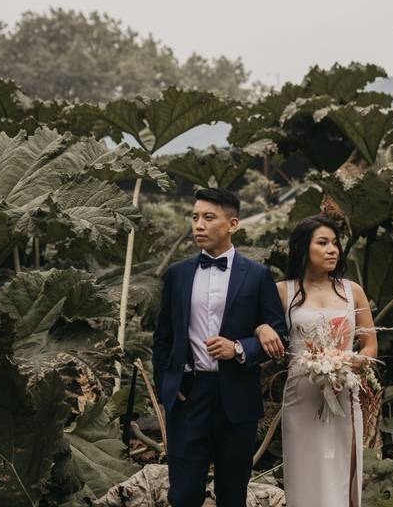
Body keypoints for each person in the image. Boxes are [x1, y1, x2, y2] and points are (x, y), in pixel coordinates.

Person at [152, 187, 288, 507]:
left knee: (232, 494)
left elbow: (279, 334)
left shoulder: (257, 275)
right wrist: (166, 384)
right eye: (195, 217)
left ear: (233, 224)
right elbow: (163, 337)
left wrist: (239, 349)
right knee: (183, 494)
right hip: (189, 394)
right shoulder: (177, 275)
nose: (198, 224)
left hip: (236, 395)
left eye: (208, 218)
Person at [255, 215, 378, 507]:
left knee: (341, 468)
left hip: (344, 392)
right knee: (305, 470)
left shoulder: (352, 291)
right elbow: (254, 325)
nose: (332, 249)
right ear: (302, 249)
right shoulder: (283, 291)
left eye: (335, 243)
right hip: (301, 395)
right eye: (322, 243)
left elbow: (371, 344)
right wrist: (261, 329)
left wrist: (347, 363)